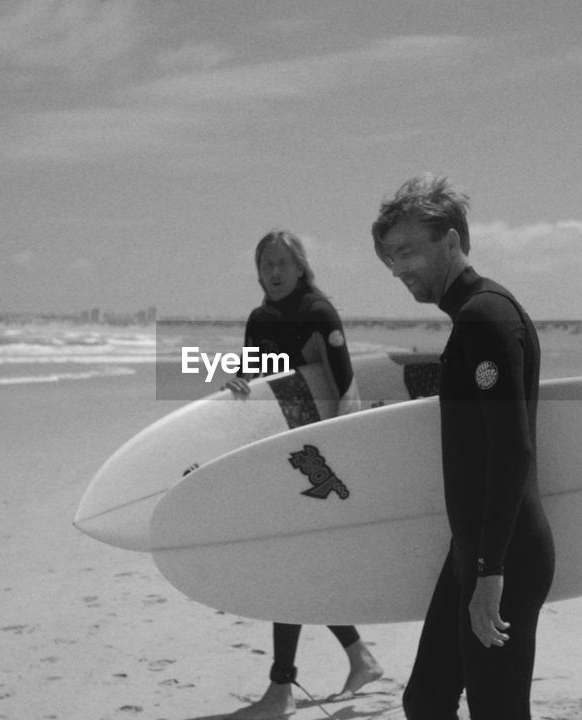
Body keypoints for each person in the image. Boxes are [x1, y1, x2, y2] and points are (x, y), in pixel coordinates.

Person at [371, 175, 555, 719]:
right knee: (426, 698)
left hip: (502, 556)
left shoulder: (484, 316)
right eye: (389, 259)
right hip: (475, 551)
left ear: (451, 242)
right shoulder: (475, 316)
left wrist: (488, 571)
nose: (399, 269)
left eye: (407, 251)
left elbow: (511, 449)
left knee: (497, 712)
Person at [223, 229, 383, 719]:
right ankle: (359, 656)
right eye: (266, 263)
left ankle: (281, 690)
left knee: (288, 566)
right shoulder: (260, 319)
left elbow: (345, 387)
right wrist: (235, 379)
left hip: (314, 457)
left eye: (282, 263)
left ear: (299, 267)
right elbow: (256, 377)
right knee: (295, 565)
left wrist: (336, 462)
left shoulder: (318, 312)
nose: (273, 272)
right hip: (280, 447)